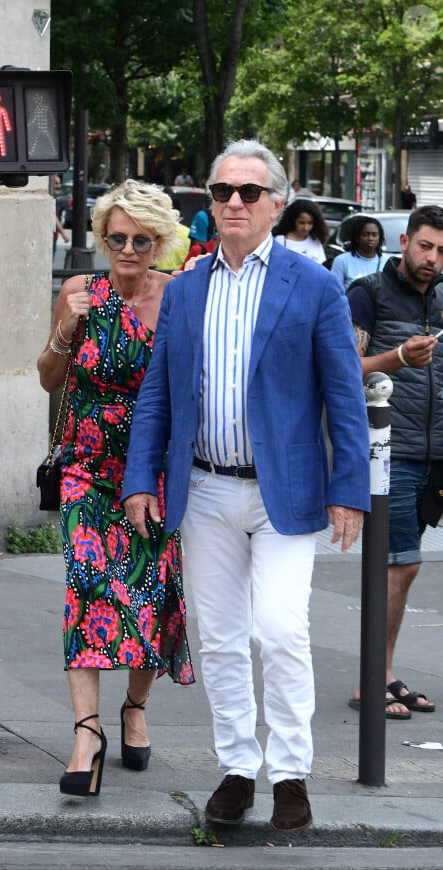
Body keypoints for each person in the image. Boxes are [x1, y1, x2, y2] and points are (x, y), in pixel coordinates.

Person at [122, 139, 370, 832]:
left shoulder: (314, 285)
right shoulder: (187, 287)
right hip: (201, 490)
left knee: (281, 629)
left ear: (277, 204)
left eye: (249, 193)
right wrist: (143, 478)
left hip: (285, 492)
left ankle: (291, 773)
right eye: (222, 192)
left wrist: (349, 487)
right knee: (222, 638)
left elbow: (344, 397)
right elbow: (158, 396)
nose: (233, 202)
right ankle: (238, 767)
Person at [37, 179, 194, 798]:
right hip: (85, 470)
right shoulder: (79, 293)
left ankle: (134, 707)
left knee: (146, 598)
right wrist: (64, 334)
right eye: (117, 237)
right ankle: (87, 733)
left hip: (151, 472)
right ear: (102, 239)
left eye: (141, 239)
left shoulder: (180, 299)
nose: (128, 249)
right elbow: (49, 379)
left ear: (161, 242)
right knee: (87, 587)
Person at [346, 205, 443, 719]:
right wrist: (399, 358)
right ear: (404, 241)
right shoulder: (368, 293)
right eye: (425, 246)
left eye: (442, 251)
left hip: (434, 450)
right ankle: (371, 678)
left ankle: (380, 672)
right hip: (388, 450)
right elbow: (342, 365)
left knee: (403, 568)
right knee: (399, 563)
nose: (432, 258)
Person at [331, 216, 390, 290]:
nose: (370, 238)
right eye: (365, 235)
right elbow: (334, 292)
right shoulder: (342, 261)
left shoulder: (387, 262)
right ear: (357, 238)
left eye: (374, 235)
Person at [273, 198, 328, 264]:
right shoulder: (280, 240)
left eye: (310, 223)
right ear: (293, 220)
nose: (306, 228)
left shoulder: (316, 241)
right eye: (301, 223)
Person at [51, 175, 70, 257]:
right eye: (55, 183)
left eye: (59, 184)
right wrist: (63, 233)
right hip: (50, 238)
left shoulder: (55, 197)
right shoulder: (49, 198)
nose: (58, 186)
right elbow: (52, 216)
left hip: (54, 237)